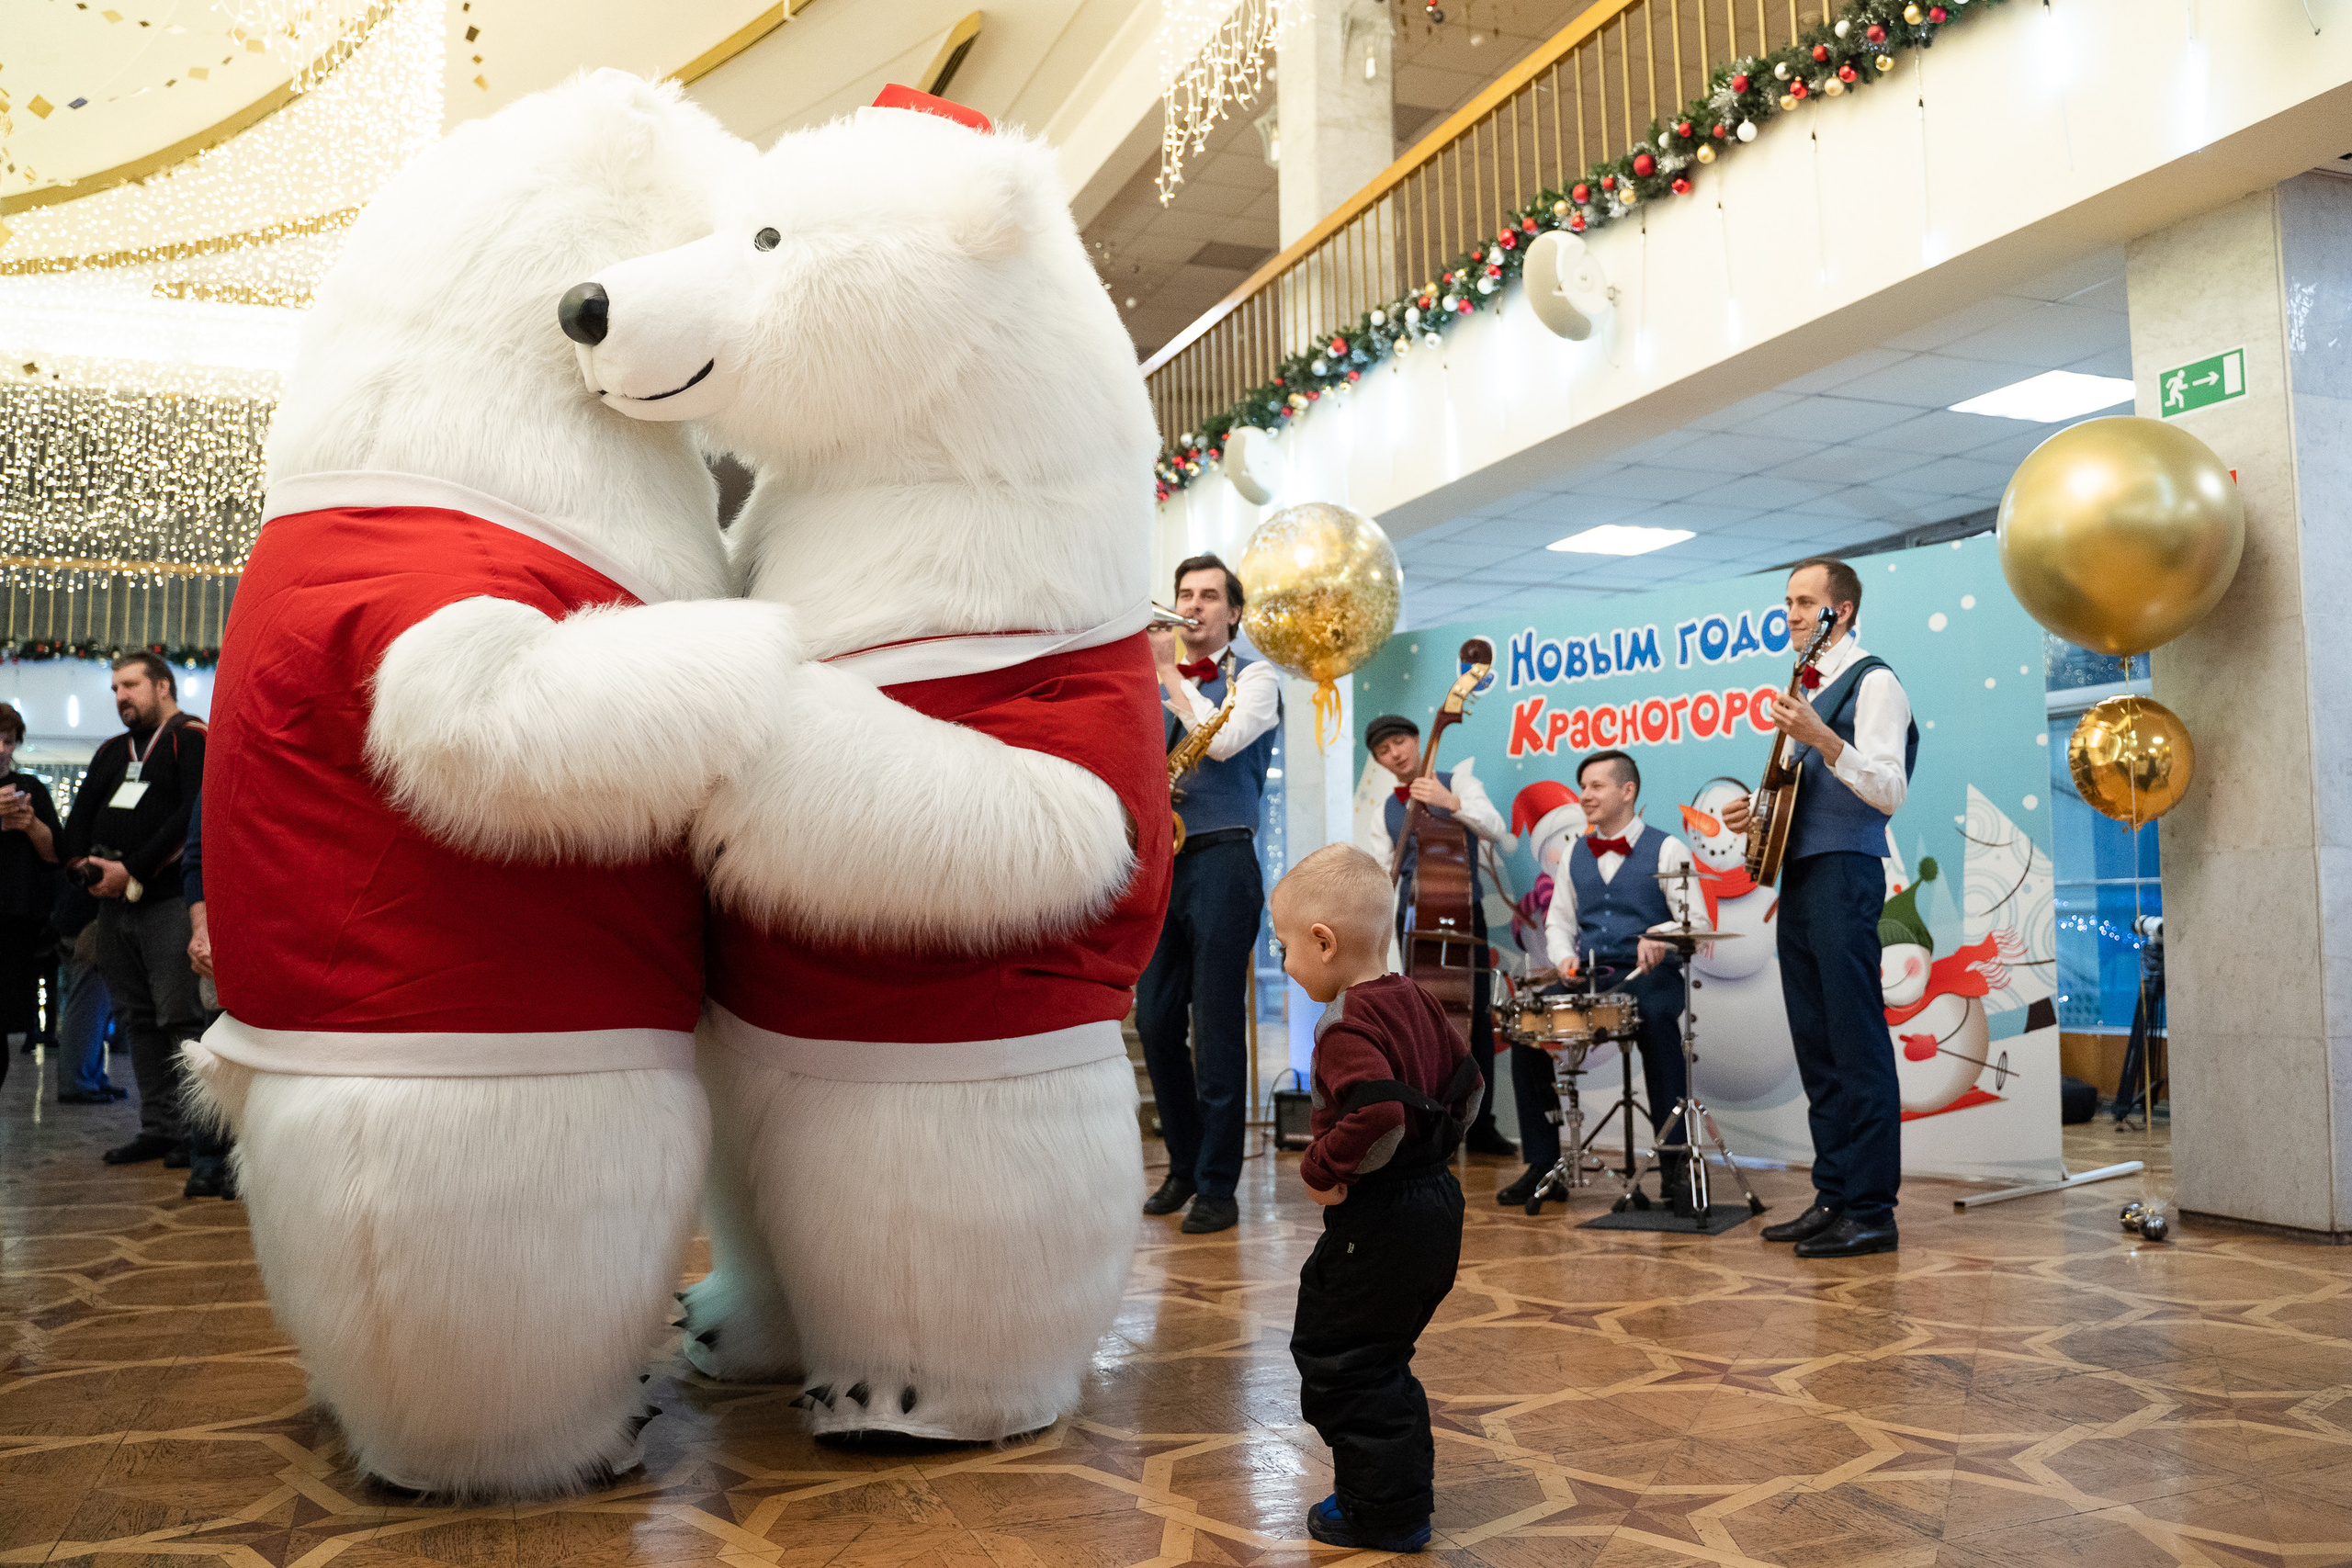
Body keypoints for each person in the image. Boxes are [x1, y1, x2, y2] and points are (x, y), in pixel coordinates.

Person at [1277, 843, 1477, 1554]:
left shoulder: (1345, 1023)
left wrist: (1322, 1165)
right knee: (1380, 1354)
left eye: (1285, 946)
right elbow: (1468, 1083)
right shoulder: (1417, 997)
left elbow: (1379, 1116)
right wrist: (1434, 1153)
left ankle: (1381, 1513)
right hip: (1437, 1205)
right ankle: (1395, 1495)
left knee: (1343, 1359)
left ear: (1323, 941)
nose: (1285, 961)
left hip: (1383, 1213)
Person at [1723, 558, 1917, 1258]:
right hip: (1798, 876)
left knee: (1856, 1042)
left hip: (1846, 872)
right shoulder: (1807, 687)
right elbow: (1807, 788)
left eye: (1806, 602)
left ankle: (1872, 1209)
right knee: (1818, 1042)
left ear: (1843, 610)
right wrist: (1761, 812)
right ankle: (1834, 1193)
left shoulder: (1875, 681)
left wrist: (1825, 740)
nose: (1794, 614)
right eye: (1788, 603)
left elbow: (1889, 788)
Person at [1136, 553, 1282, 1235]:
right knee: (1157, 1020)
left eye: (1208, 596)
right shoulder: (1146, 681)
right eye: (1184, 593)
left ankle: (1219, 1184)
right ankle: (1185, 1163)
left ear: (1234, 611)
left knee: (1216, 1026)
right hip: (1162, 859)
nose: (1193, 605)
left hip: (1224, 856)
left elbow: (1222, 745)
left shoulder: (1256, 677)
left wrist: (1167, 673)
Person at [1526, 750, 1700, 1212]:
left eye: (1596, 786)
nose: (1585, 795)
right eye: (1582, 786)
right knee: (1526, 1026)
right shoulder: (1574, 854)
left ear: (1628, 791)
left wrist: (1660, 935)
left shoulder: (1668, 848)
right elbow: (1559, 922)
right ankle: (1542, 1166)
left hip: (1650, 976)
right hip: (1591, 974)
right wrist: (1563, 959)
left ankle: (1675, 1167)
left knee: (1659, 1024)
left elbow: (1694, 921)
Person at [60, 651, 207, 1168]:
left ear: (163, 686)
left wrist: (136, 870)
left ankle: (198, 1134)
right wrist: (84, 865)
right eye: (116, 688)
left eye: (131, 686)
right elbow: (79, 818)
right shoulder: (110, 751)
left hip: (168, 903)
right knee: (137, 1020)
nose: (121, 697)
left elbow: (194, 816)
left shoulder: (190, 739)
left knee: (181, 1017)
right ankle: (160, 1128)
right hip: (112, 908)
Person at [1360, 713, 1518, 1159]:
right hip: (1416, 919)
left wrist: (1451, 802)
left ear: (1416, 740)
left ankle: (1480, 1125)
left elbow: (1494, 827)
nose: (1395, 754)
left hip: (1464, 914)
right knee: (1426, 1024)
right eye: (1383, 752)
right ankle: (1432, 1121)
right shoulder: (1385, 811)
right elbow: (1383, 872)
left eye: (1399, 743)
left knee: (1476, 1016)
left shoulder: (1460, 782)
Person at [0, 702, 60, 1089]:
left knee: (3, 1027)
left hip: (12, 921)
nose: (2, 748)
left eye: (8, 740)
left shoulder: (32, 788)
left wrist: (31, 824)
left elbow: (55, 854)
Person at [179, 788, 234, 1199]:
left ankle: (243, 1165)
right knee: (214, 1049)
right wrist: (201, 929)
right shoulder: (216, 776)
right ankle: (208, 1160)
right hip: (223, 929)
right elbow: (195, 860)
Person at [48, 880, 119, 1104]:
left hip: (76, 918)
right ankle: (78, 1082)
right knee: (88, 1005)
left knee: (92, 1005)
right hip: (86, 923)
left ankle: (90, 1077)